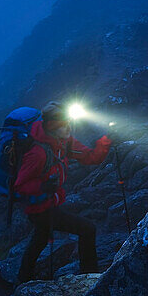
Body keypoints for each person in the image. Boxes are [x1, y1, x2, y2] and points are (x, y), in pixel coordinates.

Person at [13, 101, 112, 282]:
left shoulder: (64, 141)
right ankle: (90, 276)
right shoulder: (38, 153)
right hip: (40, 208)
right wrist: (43, 187)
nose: (68, 128)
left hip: (49, 204)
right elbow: (19, 185)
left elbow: (90, 157)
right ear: (51, 127)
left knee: (40, 239)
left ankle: (23, 279)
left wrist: (106, 141)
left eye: (68, 123)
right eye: (63, 125)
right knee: (87, 229)